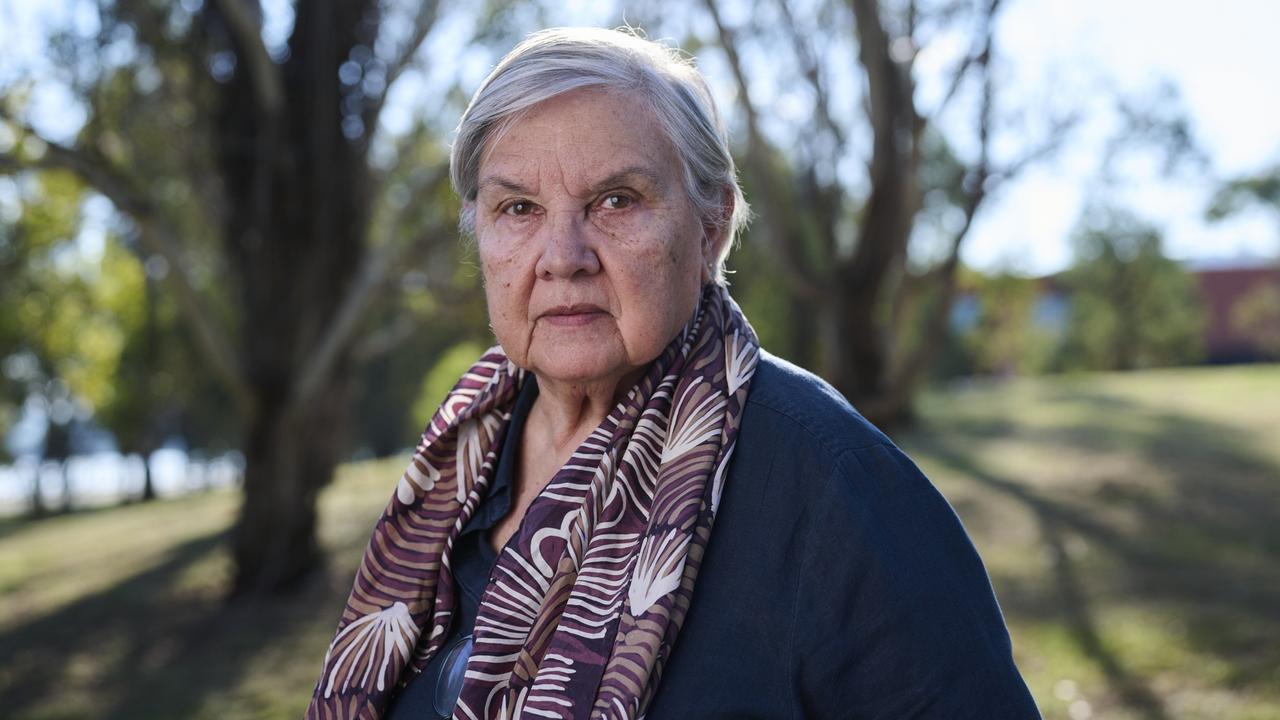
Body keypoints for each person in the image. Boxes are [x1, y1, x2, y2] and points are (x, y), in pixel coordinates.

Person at [307, 27, 1039, 720]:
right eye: (519, 207)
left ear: (711, 224)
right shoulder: (458, 458)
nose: (563, 256)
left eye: (616, 200)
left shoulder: (835, 487)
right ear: (481, 233)